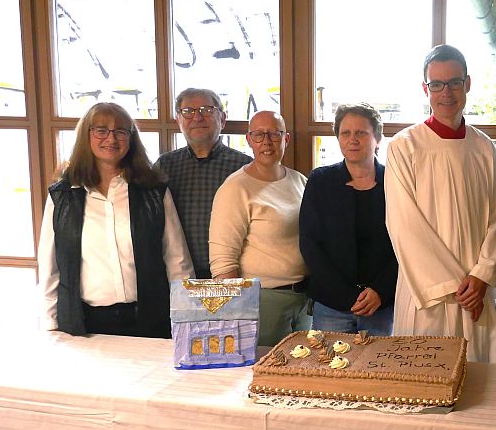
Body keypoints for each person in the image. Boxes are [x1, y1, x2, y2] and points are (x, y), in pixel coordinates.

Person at [385, 44, 496, 363]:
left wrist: (481, 276)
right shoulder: (404, 147)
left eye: (454, 82)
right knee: (424, 382)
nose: (446, 92)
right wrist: (457, 286)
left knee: (478, 387)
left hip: (476, 293)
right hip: (428, 294)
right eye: (437, 84)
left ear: (467, 84)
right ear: (425, 89)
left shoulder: (483, 148)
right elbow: (404, 225)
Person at [37, 102, 193, 339]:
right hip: (84, 325)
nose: (111, 139)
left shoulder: (154, 191)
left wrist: (186, 320)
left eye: (121, 131)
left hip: (149, 320)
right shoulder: (63, 196)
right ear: (86, 136)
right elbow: (50, 269)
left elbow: (177, 261)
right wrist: (50, 327)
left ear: (131, 139)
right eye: (101, 130)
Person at [209, 110, 310, 347]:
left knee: (298, 376)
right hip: (261, 302)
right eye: (258, 135)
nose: (266, 141)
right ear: (248, 140)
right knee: (259, 377)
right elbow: (223, 262)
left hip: (303, 300)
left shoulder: (298, 181)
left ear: (286, 139)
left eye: (274, 134)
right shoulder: (235, 188)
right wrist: (237, 314)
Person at [299, 103, 398, 335]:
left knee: (379, 370)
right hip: (332, 306)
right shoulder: (320, 181)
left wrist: (380, 291)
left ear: (377, 138)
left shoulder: (395, 182)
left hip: (383, 305)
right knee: (332, 368)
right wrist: (347, 296)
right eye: (346, 133)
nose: (353, 139)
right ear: (338, 138)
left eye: (361, 133)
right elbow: (310, 243)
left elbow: (405, 244)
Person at [155, 88, 252, 279]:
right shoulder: (164, 167)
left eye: (206, 110)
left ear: (222, 119)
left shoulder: (244, 166)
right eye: (188, 112)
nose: (197, 118)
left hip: (233, 274)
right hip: (176, 276)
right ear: (178, 120)